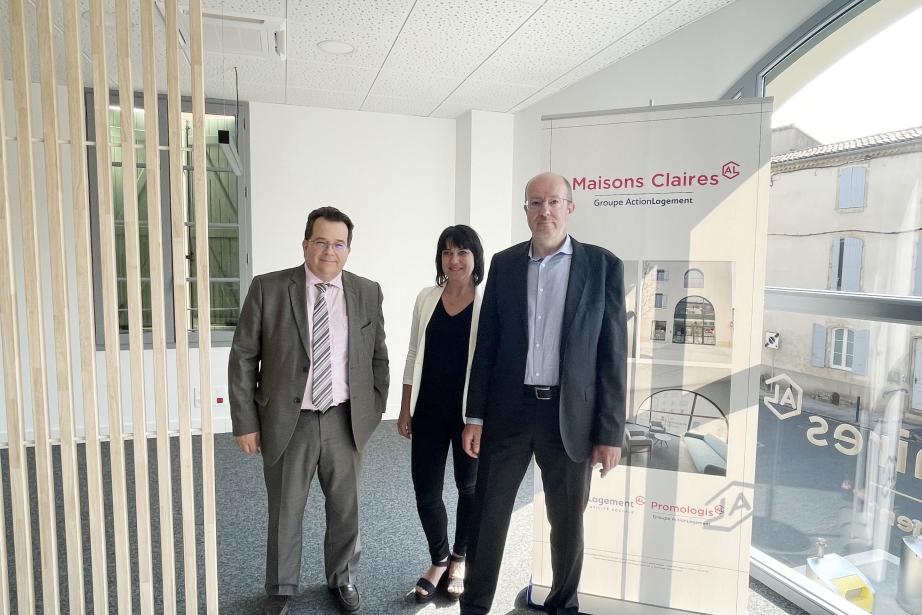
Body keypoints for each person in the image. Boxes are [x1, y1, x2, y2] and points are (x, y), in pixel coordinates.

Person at [459, 172, 627, 615]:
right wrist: (474, 415)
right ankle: (474, 607)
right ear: (526, 210)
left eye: (554, 202)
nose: (544, 211)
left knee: (567, 523)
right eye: (535, 202)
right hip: (508, 413)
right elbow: (488, 345)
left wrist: (610, 433)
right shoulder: (505, 263)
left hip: (569, 418)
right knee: (488, 519)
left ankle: (562, 607)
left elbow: (613, 355)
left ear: (570, 207)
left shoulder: (603, 266)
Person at [228, 206, 389, 615]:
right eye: (321, 241)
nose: (329, 251)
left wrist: (371, 412)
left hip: (345, 419)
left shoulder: (367, 291)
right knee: (286, 508)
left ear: (348, 249)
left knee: (345, 506)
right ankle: (281, 586)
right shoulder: (269, 288)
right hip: (289, 420)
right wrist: (245, 422)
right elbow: (244, 357)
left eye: (338, 244)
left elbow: (378, 358)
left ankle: (343, 578)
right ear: (305, 244)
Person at [397, 225, 485, 602]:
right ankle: (437, 559)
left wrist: (481, 418)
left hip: (469, 417)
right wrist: (405, 406)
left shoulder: (487, 302)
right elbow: (414, 353)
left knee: (469, 488)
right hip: (428, 410)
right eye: (448, 252)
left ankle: (460, 558)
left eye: (462, 252)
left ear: (475, 257)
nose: (455, 260)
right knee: (426, 490)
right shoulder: (426, 298)